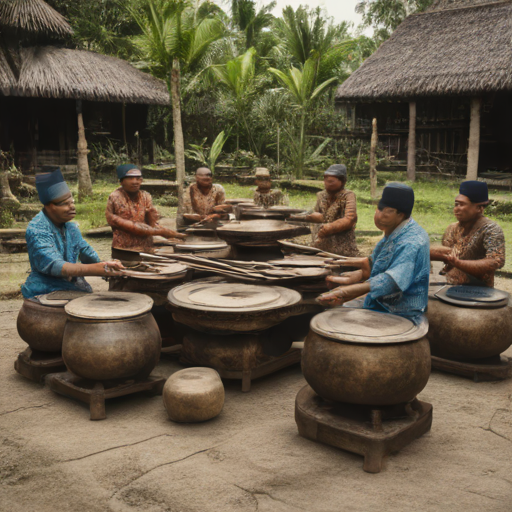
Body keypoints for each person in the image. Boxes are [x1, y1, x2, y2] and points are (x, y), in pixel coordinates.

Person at [318, 183, 430, 322]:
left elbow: (390, 281)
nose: (378, 213)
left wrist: (345, 292)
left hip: (401, 310)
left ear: (400, 214)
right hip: (381, 301)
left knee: (334, 319)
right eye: (379, 208)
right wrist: (343, 278)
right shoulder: (396, 231)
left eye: (385, 210)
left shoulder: (412, 242)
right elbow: (374, 263)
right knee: (331, 312)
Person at [21, 169, 124, 299]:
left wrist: (105, 266)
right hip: (44, 288)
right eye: (65, 204)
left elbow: (85, 251)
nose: (72, 207)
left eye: (72, 202)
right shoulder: (37, 229)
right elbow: (56, 266)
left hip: (72, 286)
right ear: (49, 206)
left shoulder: (70, 227)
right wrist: (99, 268)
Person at [430, 181, 505, 287]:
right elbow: (450, 253)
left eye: (462, 204)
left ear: (479, 208)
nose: (457, 208)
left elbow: (495, 261)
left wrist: (458, 263)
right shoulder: (452, 228)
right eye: (456, 204)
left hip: (478, 291)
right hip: (450, 287)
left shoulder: (491, 229)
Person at [106, 164, 185, 255]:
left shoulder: (145, 196)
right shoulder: (116, 197)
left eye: (138, 178)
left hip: (146, 248)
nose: (135, 182)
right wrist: (169, 233)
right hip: (124, 250)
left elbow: (152, 225)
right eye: (130, 178)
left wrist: (152, 218)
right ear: (121, 181)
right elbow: (133, 227)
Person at [293, 164, 359, 257]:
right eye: (326, 181)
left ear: (342, 181)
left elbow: (350, 219)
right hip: (321, 244)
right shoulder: (321, 195)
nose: (327, 184)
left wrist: (331, 227)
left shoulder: (348, 195)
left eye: (331, 181)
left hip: (342, 246)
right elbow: (320, 215)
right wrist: (301, 217)